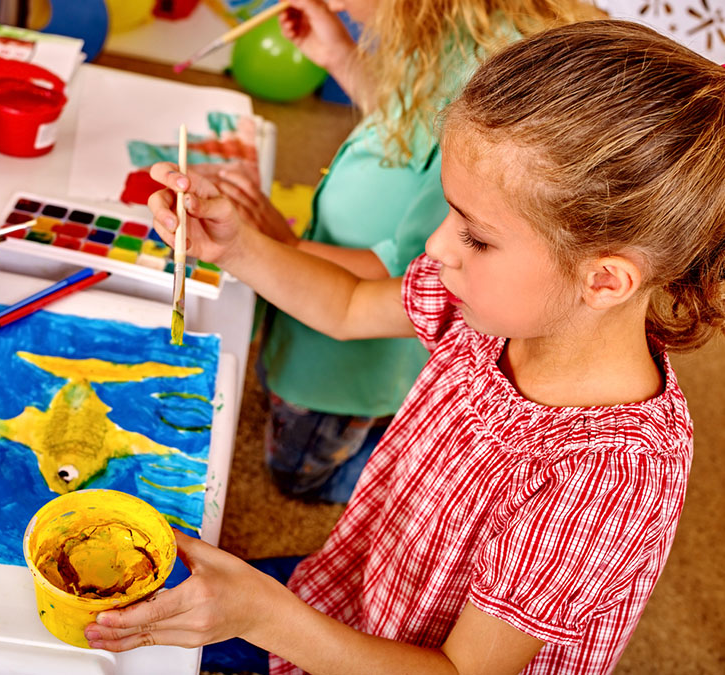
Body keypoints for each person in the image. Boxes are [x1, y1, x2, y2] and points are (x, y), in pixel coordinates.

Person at [85, 20, 725, 674]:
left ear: (605, 280)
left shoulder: (610, 477)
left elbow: (459, 670)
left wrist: (263, 616)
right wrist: (238, 247)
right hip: (359, 591)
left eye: (476, 237)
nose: (438, 245)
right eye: (450, 213)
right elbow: (347, 305)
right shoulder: (494, 306)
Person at [215, 0, 602, 502]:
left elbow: (413, 269)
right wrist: (340, 57)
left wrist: (283, 245)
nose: (334, 4)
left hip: (357, 346)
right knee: (282, 384)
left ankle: (407, 468)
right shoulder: (452, 29)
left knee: (299, 473)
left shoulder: (500, 80)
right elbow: (408, 124)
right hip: (325, 293)